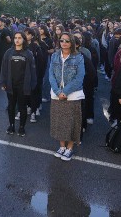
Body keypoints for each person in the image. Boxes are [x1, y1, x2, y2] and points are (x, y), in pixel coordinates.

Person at [48, 32, 85, 161]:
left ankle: (70, 148)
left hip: (73, 95)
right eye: (62, 40)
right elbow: (51, 75)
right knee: (59, 122)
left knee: (72, 122)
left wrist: (66, 91)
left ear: (72, 43)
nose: (64, 43)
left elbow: (79, 78)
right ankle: (62, 146)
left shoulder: (78, 57)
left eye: (67, 41)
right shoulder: (54, 56)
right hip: (57, 94)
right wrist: (58, 92)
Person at [0, 32, 37, 137]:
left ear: (23, 40)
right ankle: (11, 125)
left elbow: (33, 70)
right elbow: (3, 68)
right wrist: (3, 82)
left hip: (23, 85)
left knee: (22, 107)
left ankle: (22, 127)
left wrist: (32, 85)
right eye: (15, 38)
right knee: (11, 106)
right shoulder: (8, 52)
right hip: (10, 84)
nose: (17, 40)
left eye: (19, 38)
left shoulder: (28, 53)